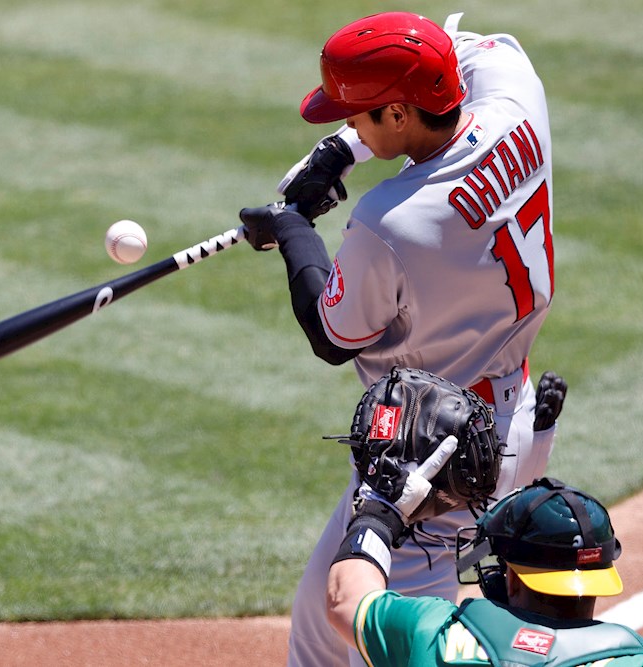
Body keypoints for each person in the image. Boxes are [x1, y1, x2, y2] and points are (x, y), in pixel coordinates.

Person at [238, 11, 559, 666]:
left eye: (357, 116)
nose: (349, 124)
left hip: (436, 466)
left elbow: (332, 335)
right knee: (321, 625)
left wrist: (294, 228)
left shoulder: (393, 222)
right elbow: (453, 51)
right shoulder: (516, 95)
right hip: (504, 415)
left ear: (398, 113)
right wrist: (343, 149)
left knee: (382, 642)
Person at [327, 477, 643, 667]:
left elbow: (345, 599)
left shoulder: (432, 632)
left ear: (511, 579)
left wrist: (378, 512)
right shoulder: (640, 663)